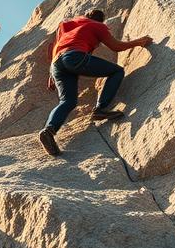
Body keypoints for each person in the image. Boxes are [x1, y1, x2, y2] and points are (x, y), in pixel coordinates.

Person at [38, 9, 154, 156]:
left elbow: (55, 47)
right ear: (101, 20)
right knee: (116, 71)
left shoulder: (69, 26)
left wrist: (51, 74)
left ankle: (49, 131)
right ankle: (100, 109)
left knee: (68, 101)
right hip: (73, 56)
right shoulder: (97, 26)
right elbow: (116, 47)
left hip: (56, 65)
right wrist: (138, 42)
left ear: (86, 16)